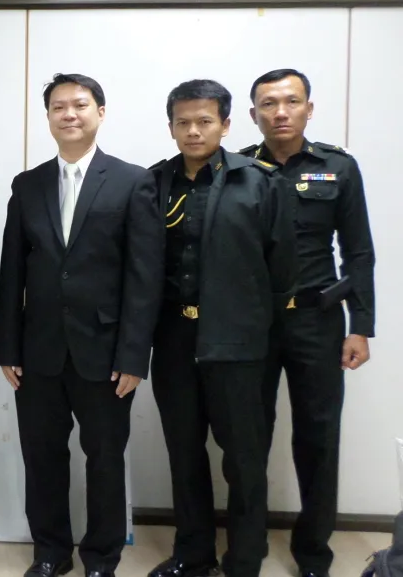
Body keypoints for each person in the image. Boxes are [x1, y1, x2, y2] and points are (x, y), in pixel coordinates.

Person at [0, 73, 164, 577]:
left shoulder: (134, 181)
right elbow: (12, 272)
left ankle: (101, 557)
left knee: (105, 459)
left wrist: (134, 356)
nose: (69, 114)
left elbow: (144, 277)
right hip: (39, 351)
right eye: (58, 107)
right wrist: (9, 348)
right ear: (48, 116)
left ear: (100, 113)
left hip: (107, 352)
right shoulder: (27, 185)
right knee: (42, 457)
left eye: (80, 105)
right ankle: (50, 552)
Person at [148, 79, 298, 577]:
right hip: (174, 339)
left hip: (237, 343)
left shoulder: (260, 182)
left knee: (244, 460)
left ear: (226, 124)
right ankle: (192, 554)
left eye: (204, 121)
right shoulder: (154, 183)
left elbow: (282, 270)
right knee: (184, 453)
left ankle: (244, 559)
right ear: (171, 127)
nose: (193, 131)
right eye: (183, 122)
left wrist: (257, 330)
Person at [239, 68, 376, 577]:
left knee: (319, 438)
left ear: (309, 109)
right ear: (252, 114)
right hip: (252, 323)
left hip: (317, 322)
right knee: (248, 438)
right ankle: (247, 548)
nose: (280, 112)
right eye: (268, 104)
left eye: (291, 101)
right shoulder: (235, 168)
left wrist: (361, 325)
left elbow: (358, 252)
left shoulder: (337, 168)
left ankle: (314, 552)